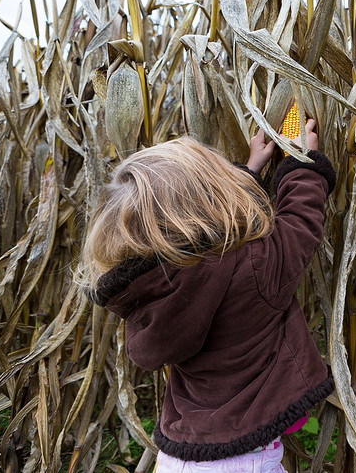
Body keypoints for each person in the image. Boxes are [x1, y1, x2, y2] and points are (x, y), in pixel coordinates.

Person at [82, 119, 335, 472]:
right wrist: (303, 161)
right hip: (244, 460)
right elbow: (299, 223)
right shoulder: (254, 267)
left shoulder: (154, 288)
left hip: (181, 458)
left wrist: (251, 170)